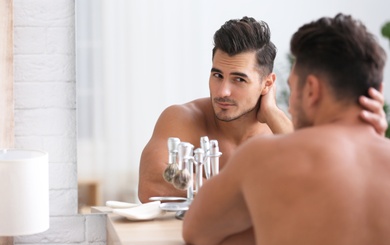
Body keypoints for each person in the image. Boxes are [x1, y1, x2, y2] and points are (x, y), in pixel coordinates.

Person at [182, 13, 390, 245]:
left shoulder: (262, 156)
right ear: (377, 91)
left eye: (292, 87)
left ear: (311, 90)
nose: (289, 104)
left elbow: (196, 231)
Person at [138, 16, 388, 203]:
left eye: (239, 79)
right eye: (217, 75)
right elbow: (150, 186)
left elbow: (319, 180)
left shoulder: (282, 130)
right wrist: (247, 196)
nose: (222, 91)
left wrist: (273, 115)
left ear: (266, 83)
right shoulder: (182, 118)